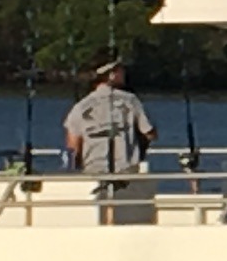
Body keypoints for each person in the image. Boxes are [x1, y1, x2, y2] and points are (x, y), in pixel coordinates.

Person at [62, 56, 160, 222]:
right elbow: (149, 132)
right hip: (126, 171)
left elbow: (72, 146)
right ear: (111, 75)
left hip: (92, 173)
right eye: (120, 70)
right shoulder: (131, 101)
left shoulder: (80, 107)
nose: (124, 73)